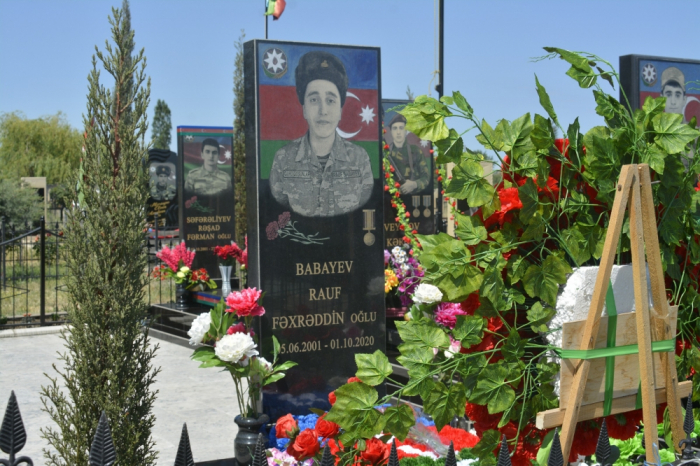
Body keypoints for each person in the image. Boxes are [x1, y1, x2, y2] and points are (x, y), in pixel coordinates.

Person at [269, 50, 374, 217]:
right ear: (304, 109)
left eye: (330, 101)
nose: (323, 110)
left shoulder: (359, 159)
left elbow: (364, 209)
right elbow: (278, 211)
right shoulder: (283, 159)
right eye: (314, 100)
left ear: (340, 111)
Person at [385, 114, 430, 195]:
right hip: (390, 197)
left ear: (406, 131)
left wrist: (414, 184)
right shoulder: (386, 153)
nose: (398, 132)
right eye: (395, 128)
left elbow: (426, 178)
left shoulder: (415, 151)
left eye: (401, 128)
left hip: (413, 196)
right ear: (391, 131)